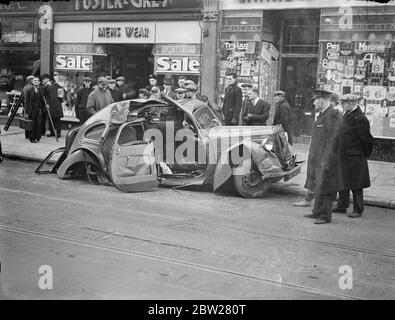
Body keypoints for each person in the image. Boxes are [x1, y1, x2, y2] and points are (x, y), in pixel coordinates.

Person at [303, 89, 343, 224]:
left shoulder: (333, 115)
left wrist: (325, 160)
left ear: (322, 100)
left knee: (326, 186)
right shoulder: (323, 114)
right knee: (318, 185)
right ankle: (317, 211)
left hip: (326, 159)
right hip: (318, 158)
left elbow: (332, 140)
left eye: (315, 100)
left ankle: (325, 215)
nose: (313, 103)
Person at [333, 94, 374, 218]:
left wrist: (363, 155)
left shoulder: (360, 118)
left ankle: (358, 209)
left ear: (352, 103)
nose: (342, 105)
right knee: (343, 182)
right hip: (344, 155)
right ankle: (342, 205)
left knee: (356, 185)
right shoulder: (346, 115)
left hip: (355, 157)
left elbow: (367, 139)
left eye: (344, 103)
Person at [41, 74, 64, 138]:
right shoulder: (45, 87)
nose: (43, 80)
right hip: (50, 105)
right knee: (51, 119)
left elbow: (61, 94)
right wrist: (46, 86)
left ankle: (58, 133)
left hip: (56, 105)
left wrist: (59, 101)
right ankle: (52, 132)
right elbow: (42, 93)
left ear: (48, 79)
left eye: (44, 79)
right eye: (42, 79)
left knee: (57, 120)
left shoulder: (56, 85)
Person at [24, 77, 45, 143]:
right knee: (33, 124)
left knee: (39, 124)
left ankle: (37, 137)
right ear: (32, 82)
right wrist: (26, 112)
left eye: (37, 80)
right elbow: (26, 102)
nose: (36, 81)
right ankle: (32, 138)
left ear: (39, 82)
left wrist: (44, 107)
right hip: (32, 110)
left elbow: (42, 100)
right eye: (34, 80)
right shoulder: (30, 90)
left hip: (39, 110)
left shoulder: (40, 90)